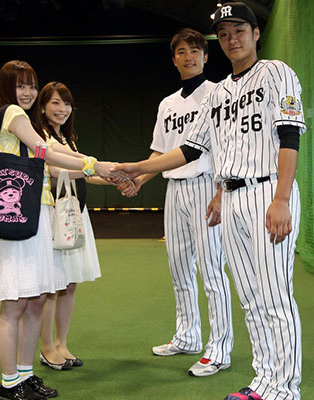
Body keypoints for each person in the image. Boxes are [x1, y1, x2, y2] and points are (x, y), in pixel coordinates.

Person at [114, 3, 306, 399]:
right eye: (224, 34)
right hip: (231, 197)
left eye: (239, 30)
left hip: (267, 191)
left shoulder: (277, 72)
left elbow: (289, 135)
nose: (232, 39)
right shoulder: (218, 94)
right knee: (250, 298)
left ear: (256, 33)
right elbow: (189, 149)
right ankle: (263, 381)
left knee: (274, 296)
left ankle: (285, 388)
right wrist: (138, 168)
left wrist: (282, 198)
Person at [0, 60, 122, 400]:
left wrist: (96, 167)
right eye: (20, 85)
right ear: (7, 88)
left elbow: (57, 152)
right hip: (18, 220)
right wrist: (94, 165)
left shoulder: (25, 118)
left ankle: (25, 374)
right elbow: (44, 151)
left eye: (32, 85)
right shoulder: (11, 113)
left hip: (38, 215)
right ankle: (9, 384)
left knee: (35, 301)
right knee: (14, 306)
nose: (28, 92)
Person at [117, 28, 233, 377]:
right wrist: (139, 180)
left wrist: (221, 191)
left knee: (211, 269)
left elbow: (227, 147)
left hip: (206, 185)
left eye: (195, 50)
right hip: (175, 190)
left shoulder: (219, 93)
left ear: (206, 57)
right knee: (179, 267)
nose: (189, 56)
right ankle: (188, 336)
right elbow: (160, 152)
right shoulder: (167, 103)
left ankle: (220, 348)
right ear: (174, 59)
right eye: (182, 51)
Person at [37, 82, 104, 371]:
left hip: (74, 213)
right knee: (53, 285)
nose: (62, 109)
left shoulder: (67, 139)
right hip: (55, 214)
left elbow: (86, 172)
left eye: (66, 103)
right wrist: (97, 167)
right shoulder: (40, 137)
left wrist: (116, 177)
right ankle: (47, 348)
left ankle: (61, 344)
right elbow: (55, 170)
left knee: (69, 283)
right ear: (42, 107)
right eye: (55, 102)